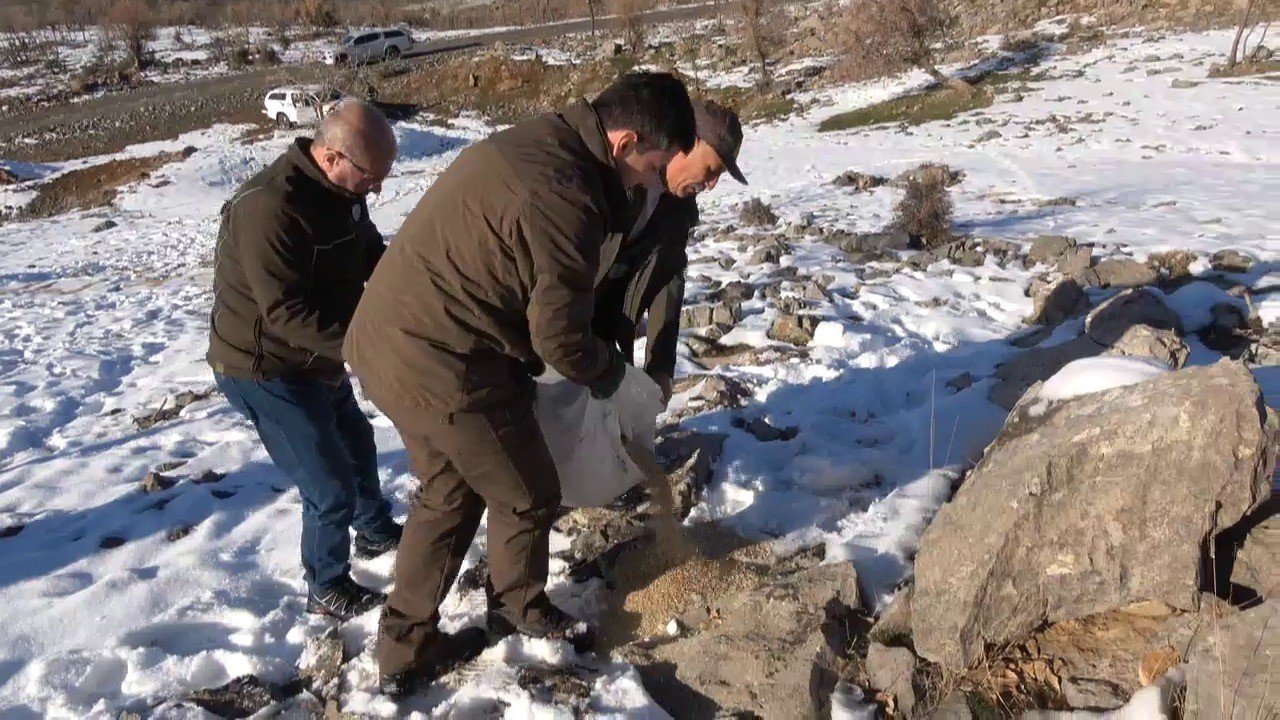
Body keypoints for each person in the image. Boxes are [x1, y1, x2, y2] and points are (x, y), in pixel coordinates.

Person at [344, 72, 697, 696]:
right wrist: (614, 378)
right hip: (443, 356)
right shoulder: (567, 193)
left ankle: (404, 649)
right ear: (624, 142)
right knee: (527, 490)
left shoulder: (551, 140)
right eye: (651, 166)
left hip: (391, 338)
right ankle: (517, 610)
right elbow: (559, 337)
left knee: (450, 491)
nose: (650, 182)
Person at [207, 100, 404, 622]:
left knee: (357, 441)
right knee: (328, 484)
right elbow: (286, 314)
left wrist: (416, 290)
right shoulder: (270, 208)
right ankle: (326, 586)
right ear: (332, 157)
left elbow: (371, 254)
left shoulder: (344, 192)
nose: (376, 189)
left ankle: (374, 531)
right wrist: (369, 347)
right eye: (371, 176)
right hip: (265, 367)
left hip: (318, 355)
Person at [593, 100, 747, 402]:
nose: (711, 185)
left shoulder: (678, 209)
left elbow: (669, 278)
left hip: (602, 341)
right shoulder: (616, 173)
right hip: (553, 333)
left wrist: (661, 366)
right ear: (687, 143)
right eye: (710, 170)